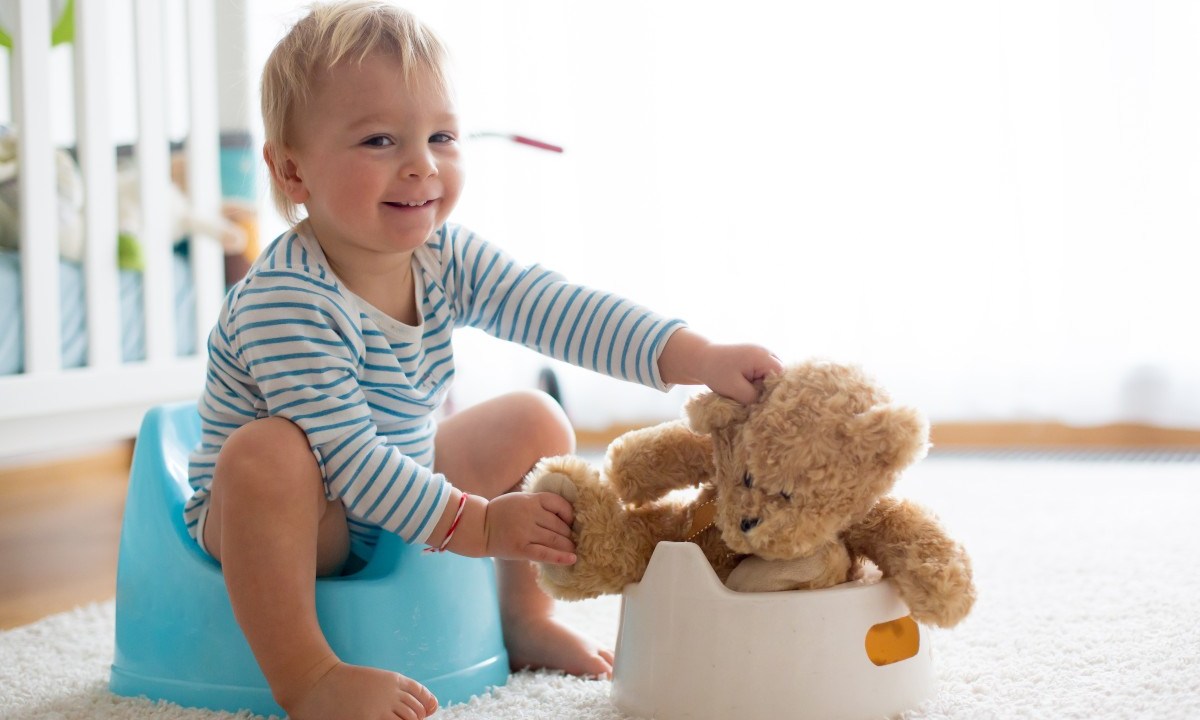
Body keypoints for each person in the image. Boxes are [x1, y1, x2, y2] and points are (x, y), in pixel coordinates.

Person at [183, 3, 783, 719]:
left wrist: (697, 356)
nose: (421, 165)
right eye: (379, 140)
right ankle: (307, 674)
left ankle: (521, 616)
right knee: (268, 453)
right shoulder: (287, 300)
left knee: (536, 419)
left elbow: (559, 309)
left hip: (401, 484)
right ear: (291, 171)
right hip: (301, 521)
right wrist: (480, 526)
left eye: (441, 135)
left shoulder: (444, 256)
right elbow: (347, 460)